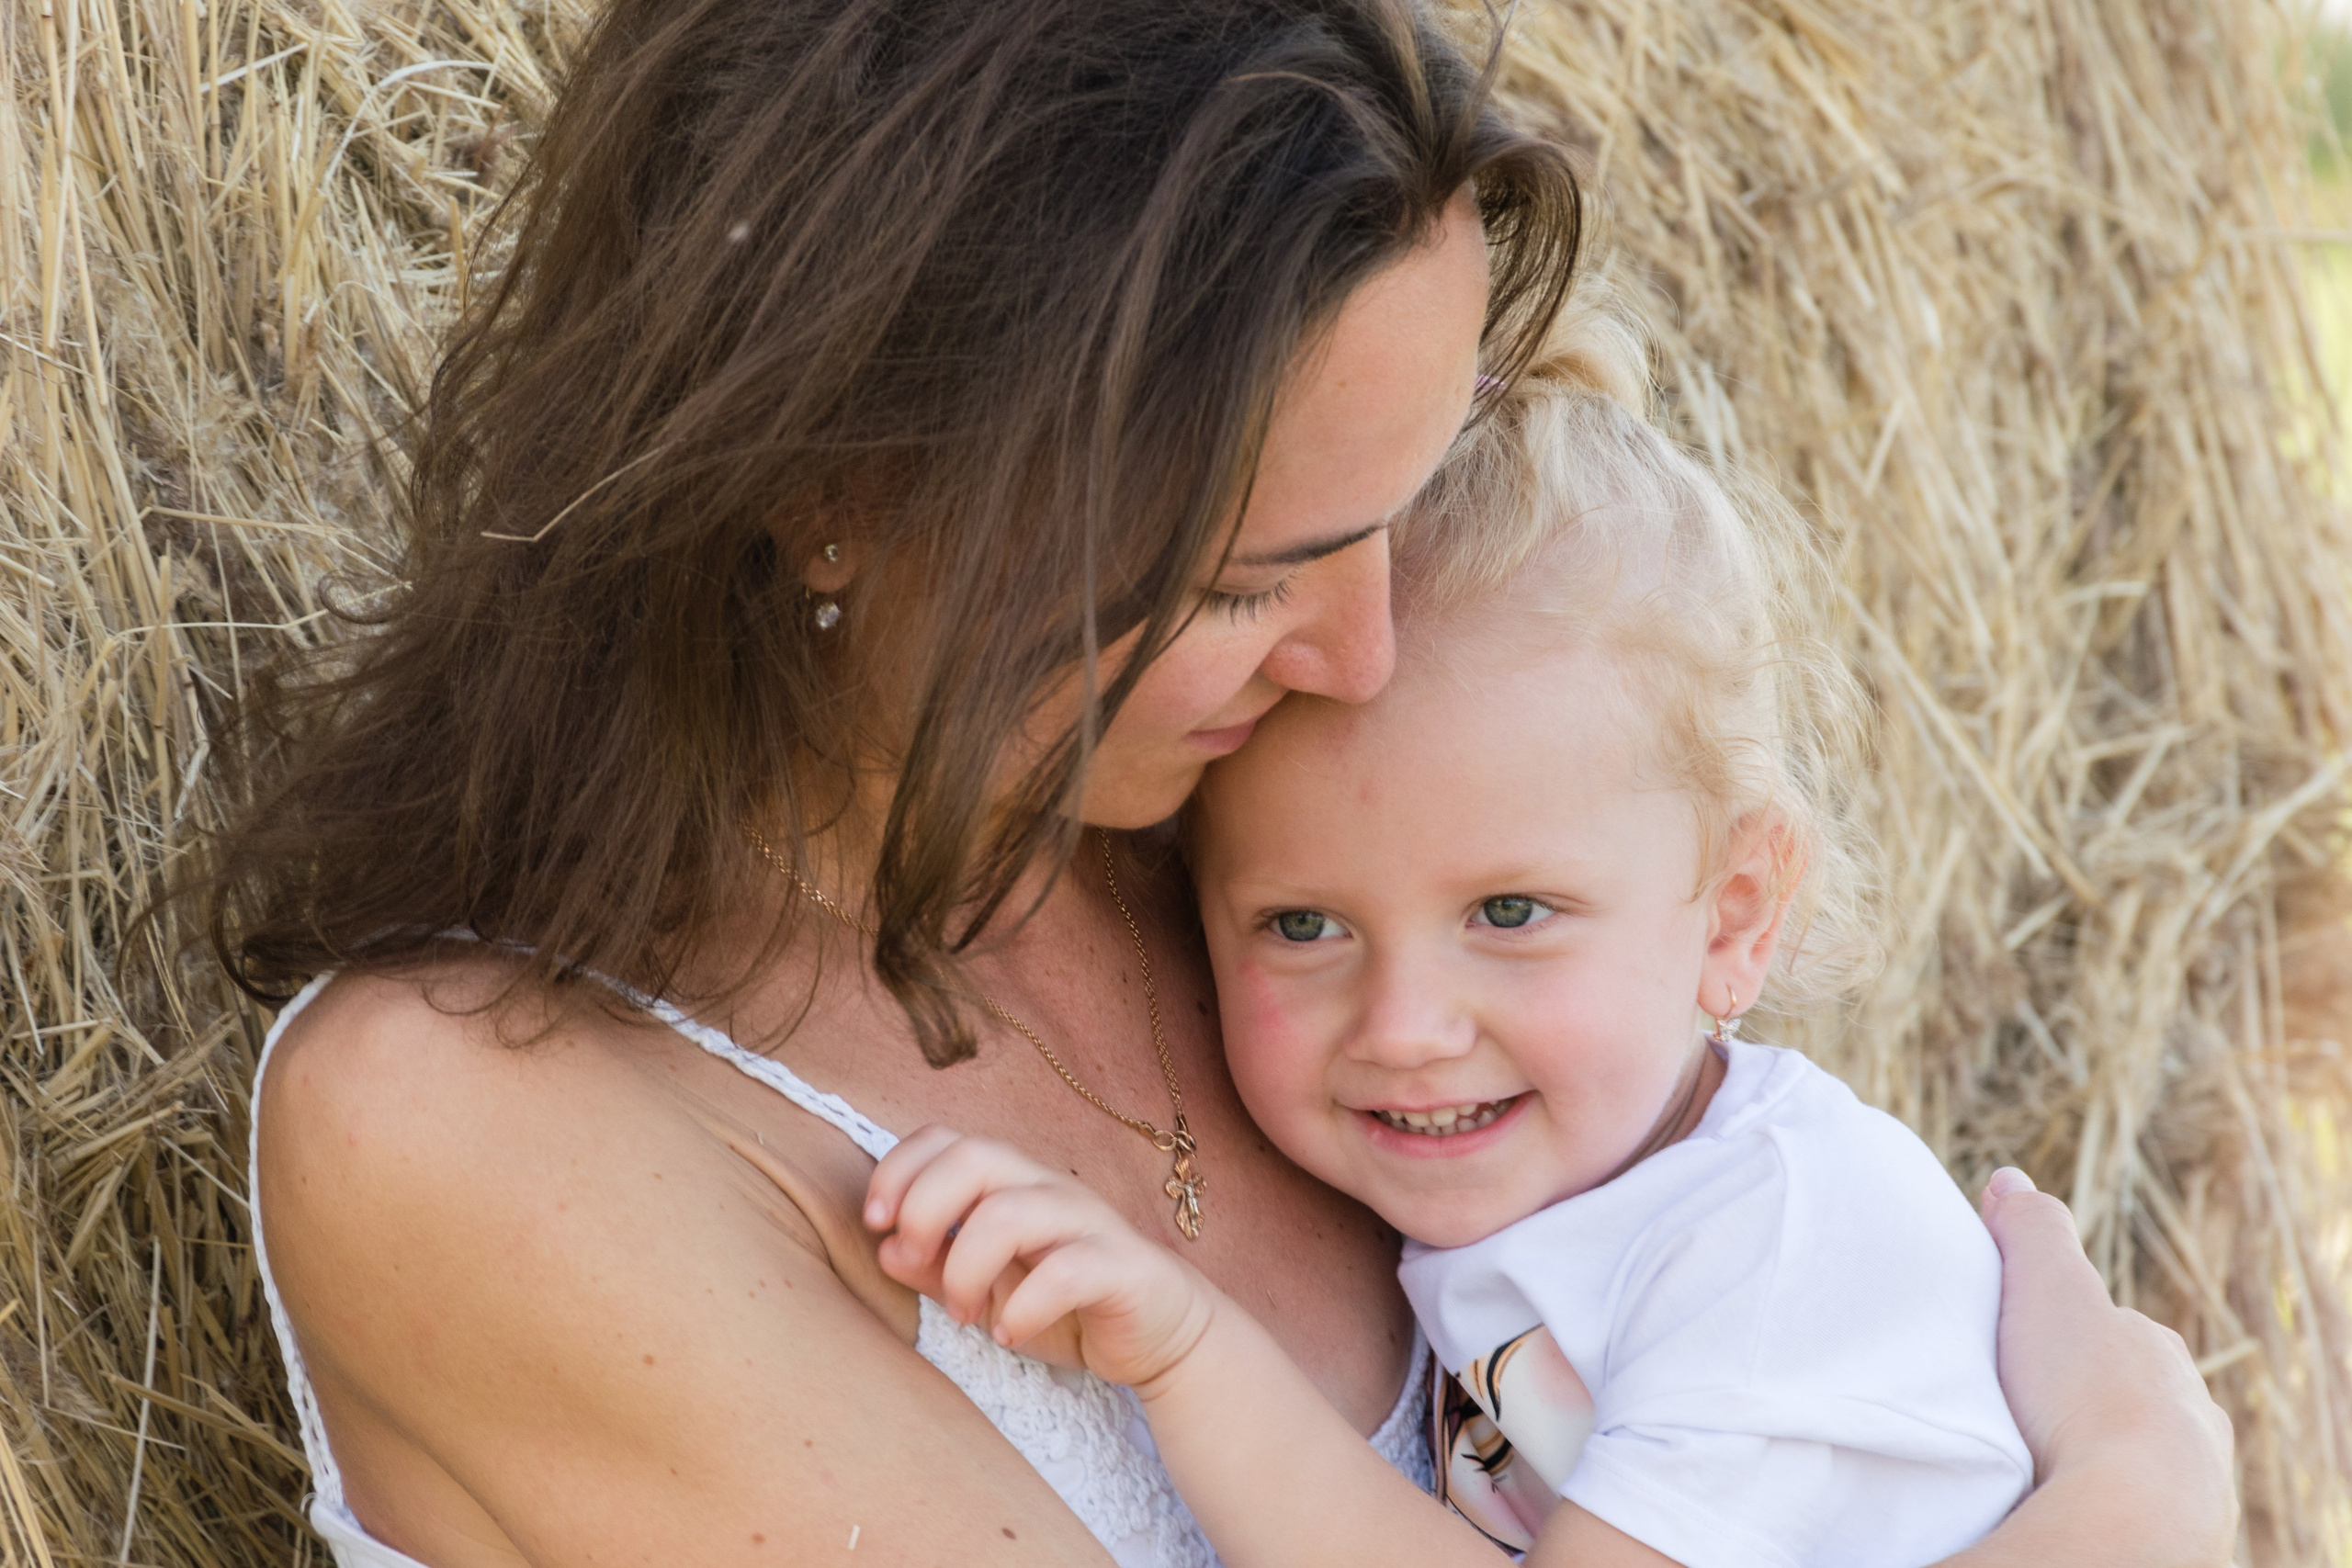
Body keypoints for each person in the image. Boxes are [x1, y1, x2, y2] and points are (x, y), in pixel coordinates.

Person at [204, 0, 2234, 1564]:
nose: (1358, 663)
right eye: (1252, 570)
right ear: (836, 491)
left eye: (1402, 508)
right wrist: (2132, 1500)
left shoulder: (1308, 877)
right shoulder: (478, 1123)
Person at [860, 362, 2064, 1568]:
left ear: (1735, 917)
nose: (1405, 1027)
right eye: (1302, 927)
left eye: (1510, 910)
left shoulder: (1778, 1250)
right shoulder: (1587, 1203)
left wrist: (1188, 1356)